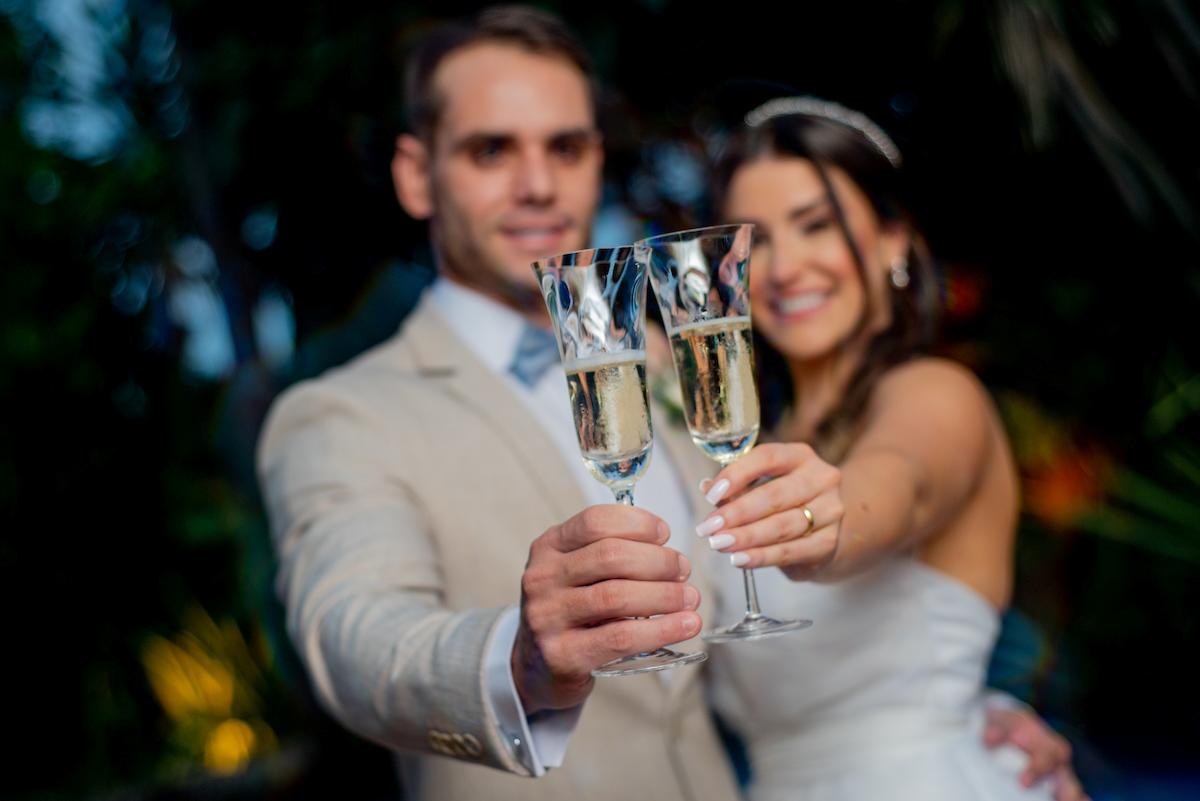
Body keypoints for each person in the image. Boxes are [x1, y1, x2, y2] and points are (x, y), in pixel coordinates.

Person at [257, 7, 1080, 800]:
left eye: (568, 146)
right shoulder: (342, 414)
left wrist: (970, 715)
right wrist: (520, 658)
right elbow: (358, 640)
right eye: (491, 150)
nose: (538, 184)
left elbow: (888, 507)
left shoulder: (683, 371)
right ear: (415, 174)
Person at [686, 96, 1089, 801]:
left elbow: (891, 486)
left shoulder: (937, 393)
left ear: (891, 240)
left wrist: (827, 520)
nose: (785, 268)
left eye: (818, 226)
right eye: (756, 242)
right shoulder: (742, 442)